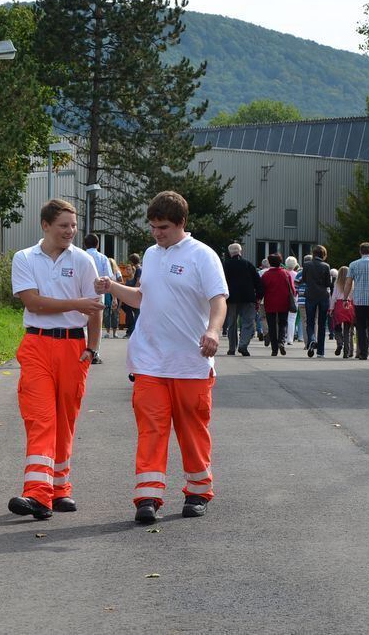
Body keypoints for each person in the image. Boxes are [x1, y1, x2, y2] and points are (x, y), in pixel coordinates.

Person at [95, 191, 228, 523]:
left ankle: (198, 491)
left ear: (182, 223)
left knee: (191, 429)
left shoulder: (203, 255)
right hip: (149, 361)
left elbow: (218, 299)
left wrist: (213, 331)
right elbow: (142, 298)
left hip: (190, 362)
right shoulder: (152, 256)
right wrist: (112, 286)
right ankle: (148, 497)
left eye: (164, 227)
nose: (157, 233)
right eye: (153, 227)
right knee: (151, 429)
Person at [7, 199, 103, 520]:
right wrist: (77, 303)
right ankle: (37, 494)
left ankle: (60, 487)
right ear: (45, 225)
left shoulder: (83, 261)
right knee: (41, 418)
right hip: (37, 344)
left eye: (74, 226)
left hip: (73, 349)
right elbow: (33, 303)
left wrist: (92, 348)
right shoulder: (24, 258)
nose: (70, 231)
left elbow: (95, 309)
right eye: (64, 225)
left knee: (66, 419)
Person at [223, 242, 264, 356]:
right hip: (248, 297)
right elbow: (257, 281)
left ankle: (232, 348)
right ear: (240, 252)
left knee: (232, 323)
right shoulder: (248, 264)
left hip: (231, 299)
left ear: (230, 253)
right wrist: (259, 295)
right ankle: (243, 345)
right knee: (248, 322)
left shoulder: (225, 265)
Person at [84, 234, 113, 360]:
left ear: (85, 244)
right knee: (96, 323)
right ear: (98, 244)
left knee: (82, 322)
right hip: (97, 293)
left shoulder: (79, 256)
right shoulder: (103, 258)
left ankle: (83, 347)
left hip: (82, 293)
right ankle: (95, 351)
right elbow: (109, 278)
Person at [261, 253, 295, 356]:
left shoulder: (266, 275)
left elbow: (262, 290)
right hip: (283, 302)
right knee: (282, 323)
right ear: (280, 262)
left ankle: (274, 349)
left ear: (270, 262)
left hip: (270, 302)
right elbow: (292, 289)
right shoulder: (286, 274)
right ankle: (281, 341)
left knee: (271, 325)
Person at [302, 245, 332, 357]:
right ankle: (320, 352)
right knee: (322, 324)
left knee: (310, 321)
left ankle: (311, 340)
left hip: (310, 295)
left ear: (313, 254)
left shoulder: (307, 265)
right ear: (323, 254)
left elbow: (304, 279)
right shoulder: (326, 266)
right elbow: (328, 283)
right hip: (323, 296)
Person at [330, 266, 354, 358]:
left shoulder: (337, 283)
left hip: (339, 306)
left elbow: (333, 297)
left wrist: (331, 308)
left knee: (337, 327)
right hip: (349, 305)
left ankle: (339, 343)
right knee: (347, 330)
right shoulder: (352, 283)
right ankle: (346, 352)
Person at [121, 254, 143, 337]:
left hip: (136, 294)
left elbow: (138, 281)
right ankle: (133, 332)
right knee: (134, 314)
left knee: (137, 315)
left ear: (132, 261)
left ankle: (134, 333)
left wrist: (134, 292)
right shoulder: (139, 268)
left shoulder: (138, 269)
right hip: (137, 294)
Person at [284, 256, 300, 345]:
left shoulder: (284, 273)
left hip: (284, 297)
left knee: (283, 318)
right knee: (292, 319)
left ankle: (283, 335)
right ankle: (290, 339)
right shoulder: (297, 274)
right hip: (294, 297)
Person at [107, 256, 123, 338]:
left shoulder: (117, 272)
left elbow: (121, 282)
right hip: (107, 293)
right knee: (107, 312)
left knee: (115, 313)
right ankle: (108, 332)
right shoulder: (106, 272)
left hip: (116, 292)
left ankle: (114, 332)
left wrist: (114, 284)